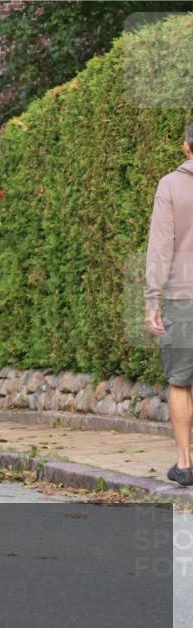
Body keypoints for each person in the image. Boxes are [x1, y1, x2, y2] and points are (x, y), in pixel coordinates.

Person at [145, 120, 193, 488]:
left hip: (183, 298)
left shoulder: (171, 185)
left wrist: (152, 300)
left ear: (185, 146)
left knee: (181, 382)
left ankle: (185, 463)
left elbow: (160, 247)